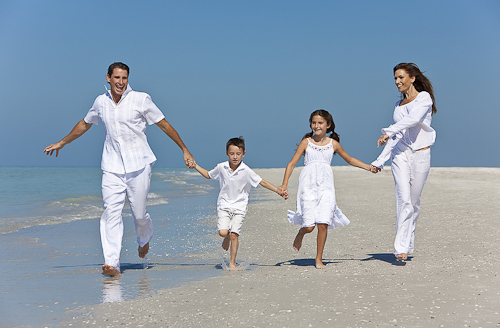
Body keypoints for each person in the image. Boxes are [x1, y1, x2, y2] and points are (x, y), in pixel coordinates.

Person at [43, 62, 195, 277]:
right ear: (108, 78)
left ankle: (144, 239)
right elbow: (85, 124)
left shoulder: (141, 99)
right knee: (111, 212)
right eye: (117, 78)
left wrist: (184, 149)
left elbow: (164, 124)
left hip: (139, 165)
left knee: (139, 215)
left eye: (124, 78)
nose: (121, 82)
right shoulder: (100, 102)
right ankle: (112, 263)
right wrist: (63, 142)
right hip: (112, 167)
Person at [278, 110, 374, 269]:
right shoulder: (306, 142)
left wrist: (368, 167)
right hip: (308, 185)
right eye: (314, 123)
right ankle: (301, 233)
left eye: (320, 123)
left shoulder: (333, 144)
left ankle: (318, 259)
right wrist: (284, 184)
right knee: (309, 226)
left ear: (328, 125)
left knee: (323, 223)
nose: (316, 126)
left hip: (326, 186)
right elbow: (292, 163)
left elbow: (349, 159)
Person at [371, 63, 437, 261]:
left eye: (401, 77)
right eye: (395, 79)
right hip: (400, 154)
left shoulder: (424, 98)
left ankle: (408, 243)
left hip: (420, 155)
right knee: (403, 199)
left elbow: (414, 120)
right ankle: (400, 248)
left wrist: (389, 130)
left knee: (414, 202)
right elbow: (398, 135)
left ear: (412, 78)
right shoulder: (397, 106)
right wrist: (380, 160)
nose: (397, 82)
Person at [190, 137, 286, 270]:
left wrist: (277, 190)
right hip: (224, 205)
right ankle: (227, 237)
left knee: (234, 234)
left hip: (240, 207)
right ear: (227, 153)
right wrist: (195, 166)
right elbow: (208, 174)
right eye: (232, 154)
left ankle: (232, 262)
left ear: (243, 154)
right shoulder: (221, 167)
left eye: (238, 154)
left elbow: (261, 182)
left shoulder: (246, 170)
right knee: (223, 233)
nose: (235, 157)